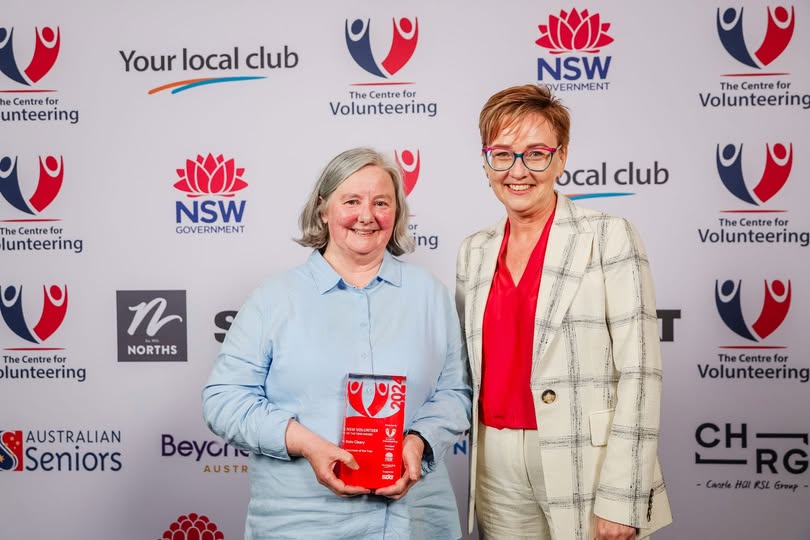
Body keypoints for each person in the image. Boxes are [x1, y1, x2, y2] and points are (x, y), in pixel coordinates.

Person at [203, 147, 471, 540]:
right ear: (323, 209)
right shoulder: (275, 298)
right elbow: (223, 399)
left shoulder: (430, 294)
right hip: (302, 521)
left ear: (396, 213)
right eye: (351, 201)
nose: (367, 215)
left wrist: (419, 442)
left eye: (381, 202)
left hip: (414, 521)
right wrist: (305, 442)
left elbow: (456, 392)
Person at [455, 84, 672, 540]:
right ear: (485, 160)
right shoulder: (474, 252)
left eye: (535, 153)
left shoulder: (609, 236)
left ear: (561, 157)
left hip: (587, 460)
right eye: (503, 154)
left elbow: (641, 372)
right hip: (495, 465)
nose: (518, 170)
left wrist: (623, 495)